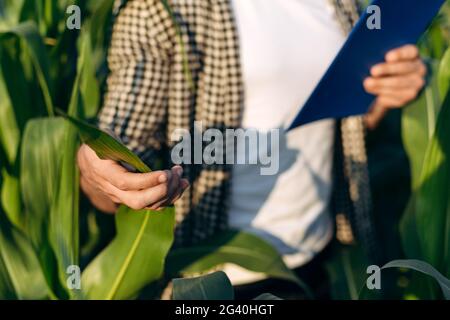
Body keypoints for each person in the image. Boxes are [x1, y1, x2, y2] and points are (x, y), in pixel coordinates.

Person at [77, 0, 426, 299]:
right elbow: (122, 133)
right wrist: (97, 166)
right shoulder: (163, 7)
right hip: (212, 279)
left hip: (322, 257)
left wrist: (385, 91)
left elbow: (343, 119)